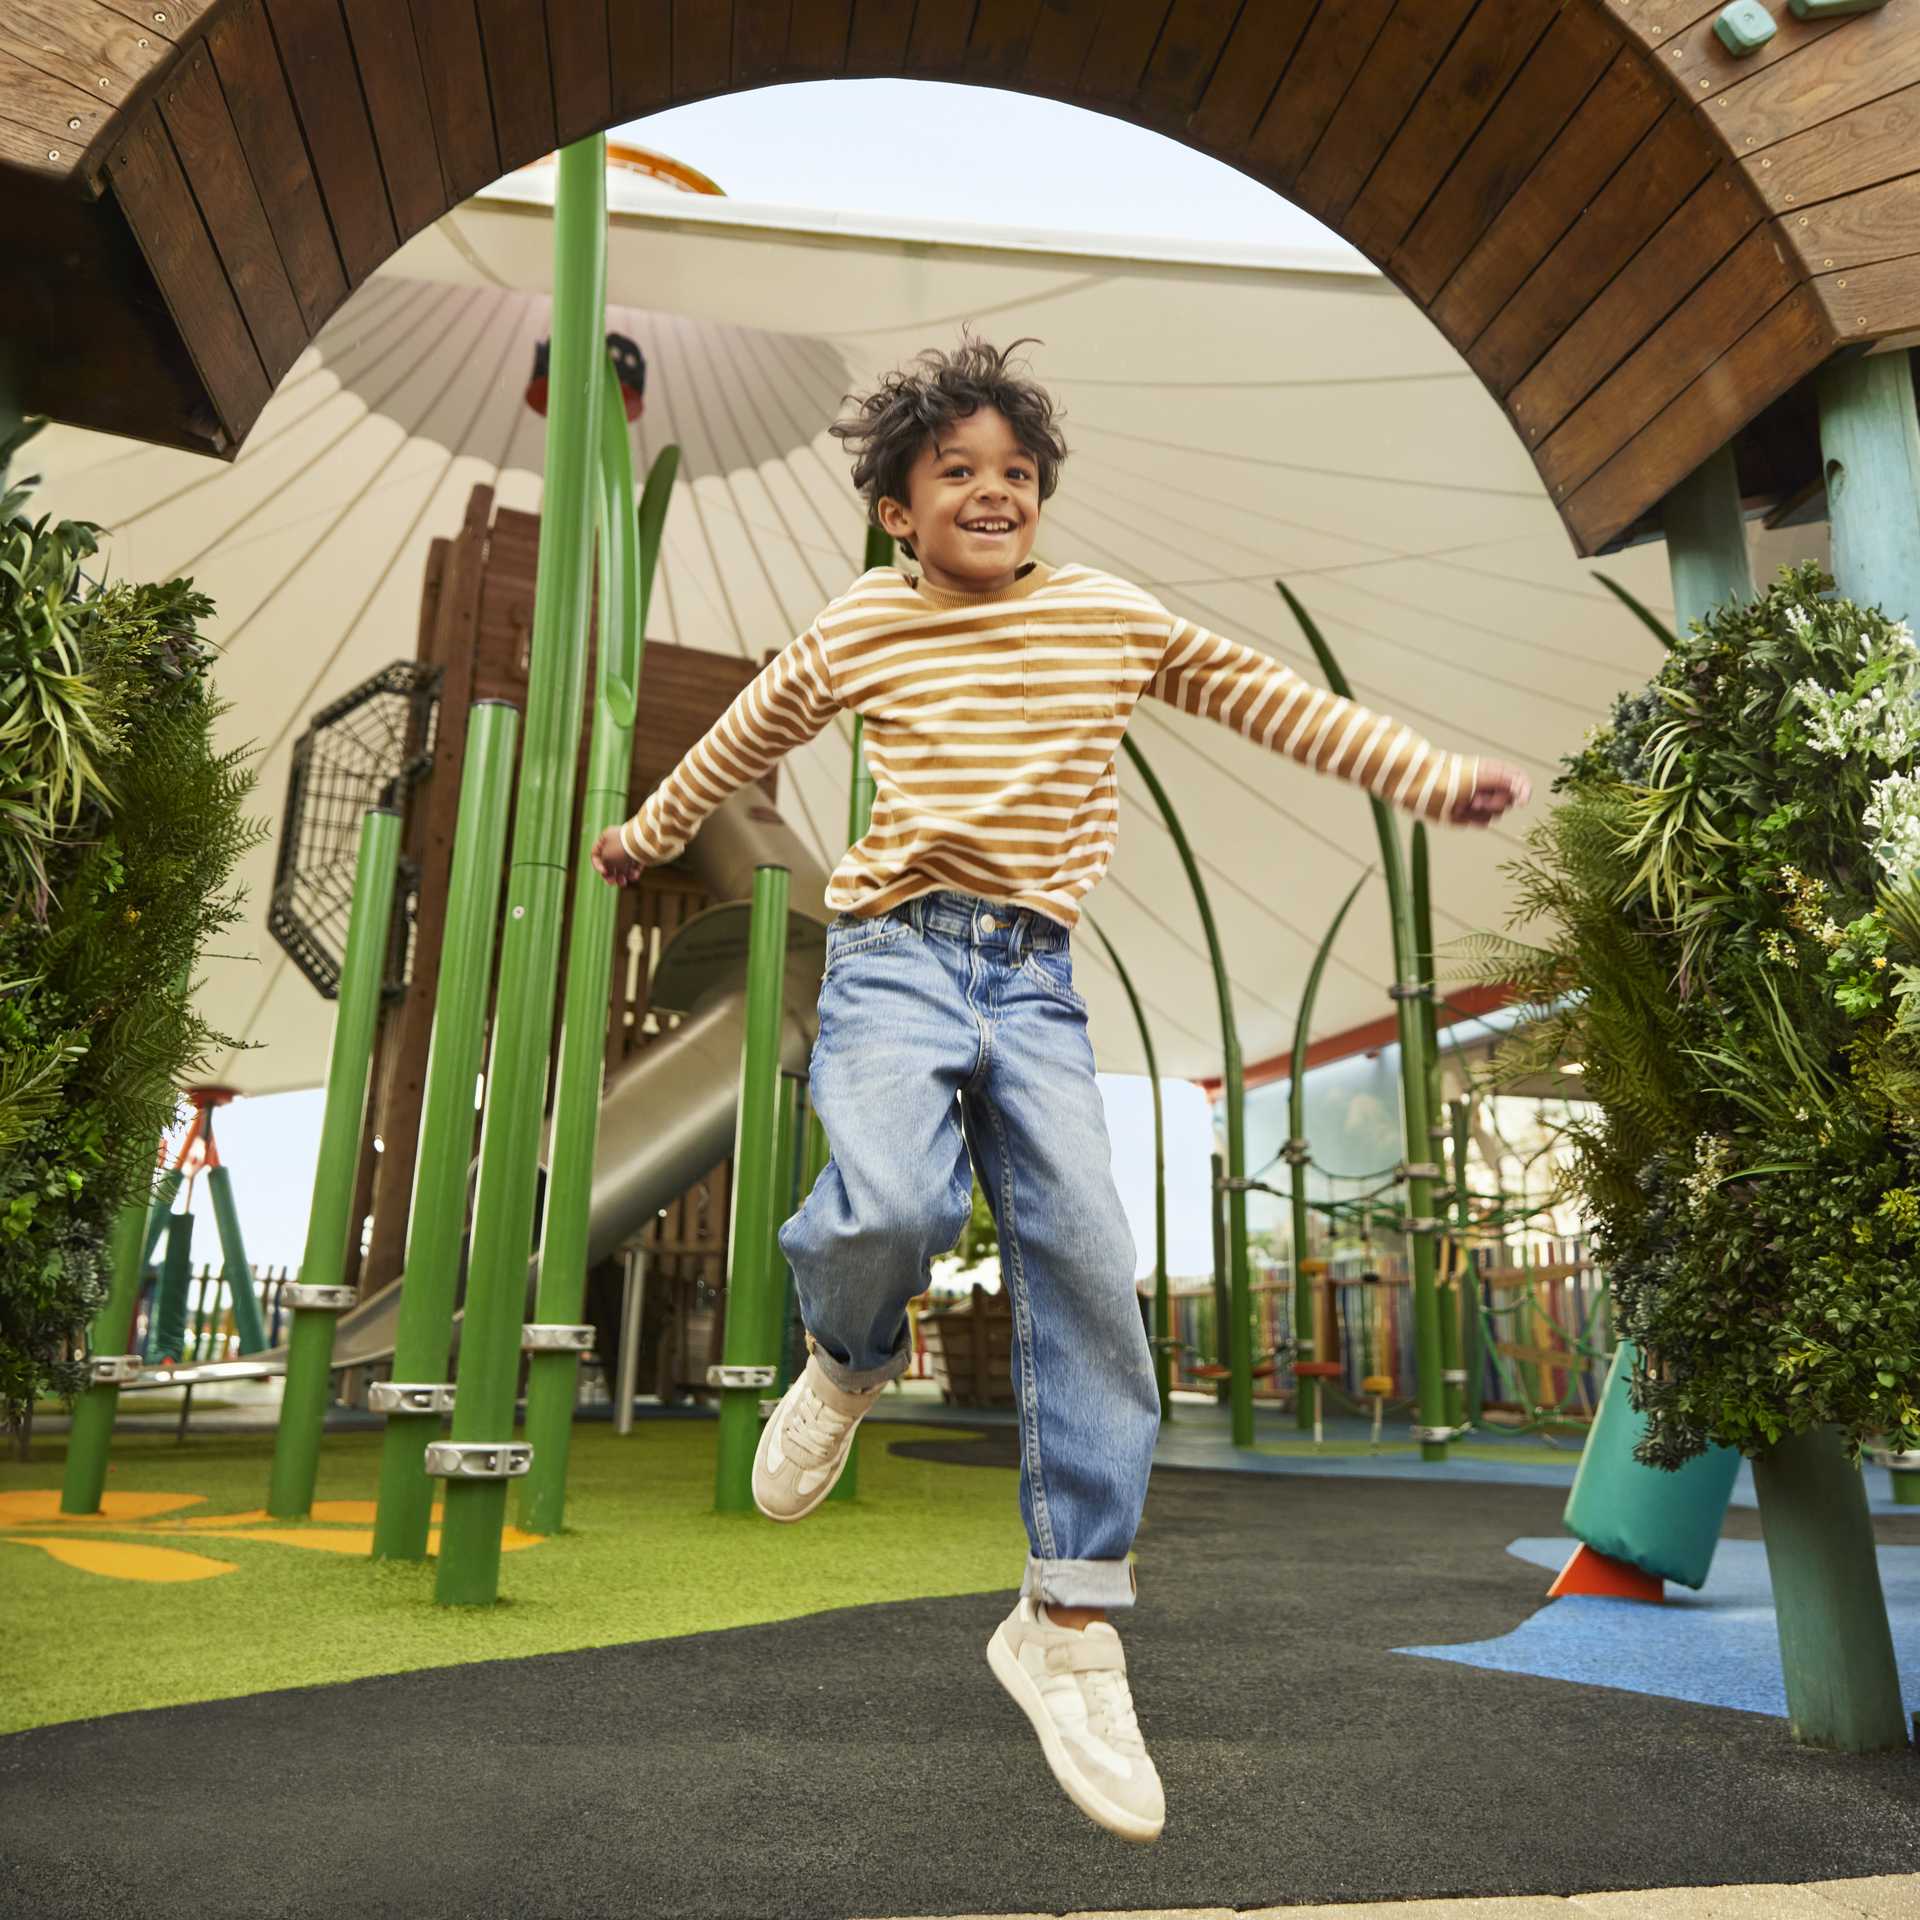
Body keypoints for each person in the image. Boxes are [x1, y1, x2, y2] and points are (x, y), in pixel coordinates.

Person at [592, 336, 1528, 1843]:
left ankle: (1068, 1621)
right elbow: (744, 737)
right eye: (955, 472)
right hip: (892, 955)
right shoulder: (861, 627)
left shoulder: (1106, 615)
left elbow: (1271, 698)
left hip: (1032, 979)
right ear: (899, 509)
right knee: (889, 1198)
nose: (991, 493)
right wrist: (647, 833)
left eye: (1015, 475)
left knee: (1090, 1260)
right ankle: (843, 1358)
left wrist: (1426, 775)